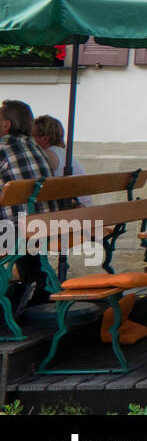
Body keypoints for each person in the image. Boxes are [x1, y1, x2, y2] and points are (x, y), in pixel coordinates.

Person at [0, 100, 57, 313]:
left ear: (6, 125)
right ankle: (36, 286)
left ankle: (27, 288)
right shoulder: (35, 147)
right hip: (44, 224)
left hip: (16, 230)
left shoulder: (3, 148)